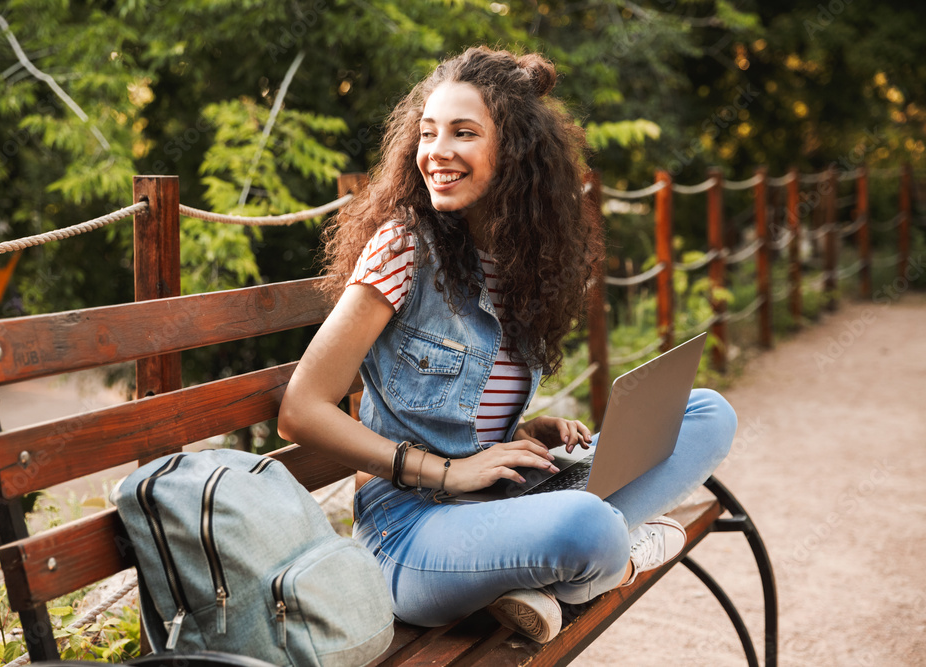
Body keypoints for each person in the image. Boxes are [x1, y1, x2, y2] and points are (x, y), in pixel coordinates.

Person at [278, 46, 736, 643]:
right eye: (428, 133)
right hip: (413, 529)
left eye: (463, 133)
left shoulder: (525, 261)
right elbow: (300, 410)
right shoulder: (404, 248)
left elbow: (465, 406)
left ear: (517, 154)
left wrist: (518, 432)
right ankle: (618, 555)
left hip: (506, 502)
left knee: (706, 413)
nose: (436, 152)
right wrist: (446, 472)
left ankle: (554, 575)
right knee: (589, 527)